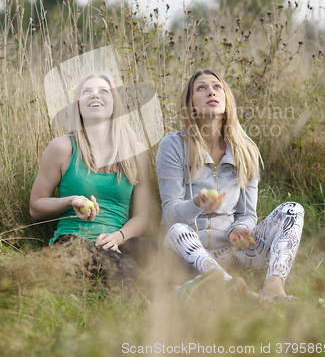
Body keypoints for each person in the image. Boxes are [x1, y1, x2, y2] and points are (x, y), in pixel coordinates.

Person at [30, 71, 219, 298]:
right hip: (71, 243)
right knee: (122, 263)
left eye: (103, 91)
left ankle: (210, 287)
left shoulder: (135, 152)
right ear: (78, 106)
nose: (94, 95)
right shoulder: (62, 147)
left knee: (152, 249)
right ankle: (178, 296)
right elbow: (35, 206)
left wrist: (119, 237)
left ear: (114, 105)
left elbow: (141, 216)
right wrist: (70, 200)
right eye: (86, 91)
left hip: (118, 240)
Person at [156, 69, 304, 300]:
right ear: (190, 103)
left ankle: (273, 286)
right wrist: (196, 204)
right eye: (201, 88)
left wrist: (239, 229)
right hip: (187, 253)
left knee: (293, 209)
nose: (211, 92)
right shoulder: (173, 145)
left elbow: (247, 214)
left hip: (231, 254)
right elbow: (169, 218)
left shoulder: (245, 149)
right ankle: (238, 292)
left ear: (226, 100)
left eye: (217, 87)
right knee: (177, 230)